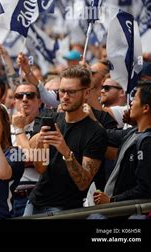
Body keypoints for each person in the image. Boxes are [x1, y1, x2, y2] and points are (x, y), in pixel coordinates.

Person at [25, 66, 108, 215]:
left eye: (71, 92)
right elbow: (41, 168)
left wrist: (65, 151)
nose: (65, 96)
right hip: (35, 201)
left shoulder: (96, 132)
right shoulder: (51, 119)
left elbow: (83, 183)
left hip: (65, 208)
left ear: (86, 93)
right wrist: (39, 141)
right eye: (62, 91)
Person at [94, 81, 151, 204]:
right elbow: (102, 134)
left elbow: (146, 189)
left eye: (134, 99)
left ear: (145, 108)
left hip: (128, 212)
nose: (131, 103)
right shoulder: (133, 132)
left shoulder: (149, 142)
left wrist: (112, 200)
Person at [10, 83, 43, 217]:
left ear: (39, 102)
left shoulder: (45, 127)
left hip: (34, 198)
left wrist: (19, 130)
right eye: (19, 96)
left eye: (30, 95)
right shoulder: (3, 128)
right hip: (7, 197)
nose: (24, 99)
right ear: (14, 101)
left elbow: (38, 161)